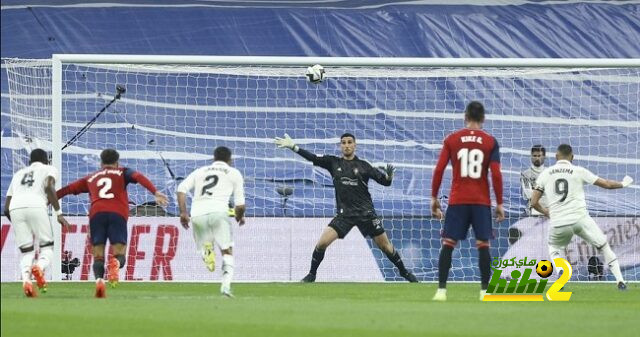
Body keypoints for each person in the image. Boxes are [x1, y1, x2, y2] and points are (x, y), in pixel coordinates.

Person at [275, 132, 418, 283]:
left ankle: (404, 272)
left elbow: (385, 182)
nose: (347, 145)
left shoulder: (364, 166)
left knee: (386, 247)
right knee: (322, 243)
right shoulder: (333, 162)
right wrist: (293, 147)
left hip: (366, 214)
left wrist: (389, 177)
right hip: (344, 215)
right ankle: (311, 275)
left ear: (355, 145)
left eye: (350, 142)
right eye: (343, 143)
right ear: (340, 146)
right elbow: (313, 158)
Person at [56, 149, 168, 297]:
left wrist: (47, 199)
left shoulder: (91, 177)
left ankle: (100, 283)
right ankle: (115, 263)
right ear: (117, 163)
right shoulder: (122, 172)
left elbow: (67, 189)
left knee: (98, 255)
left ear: (101, 163)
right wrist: (155, 192)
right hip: (117, 214)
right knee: (119, 253)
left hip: (96, 215)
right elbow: (139, 176)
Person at [531, 144, 632, 290]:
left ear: (556, 157)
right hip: (580, 219)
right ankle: (620, 281)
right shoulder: (579, 171)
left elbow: (533, 202)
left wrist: (546, 212)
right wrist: (623, 184)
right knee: (603, 246)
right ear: (572, 157)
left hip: (559, 220)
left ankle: (560, 271)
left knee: (554, 249)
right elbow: (607, 184)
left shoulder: (545, 174)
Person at [431, 101, 505, 301]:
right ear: (483, 119)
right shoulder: (490, 141)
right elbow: (496, 174)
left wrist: (433, 197)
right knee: (483, 244)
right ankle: (484, 291)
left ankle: (441, 291)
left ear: (465, 117)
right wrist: (499, 203)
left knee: (448, 243)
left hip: (458, 200)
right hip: (481, 201)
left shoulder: (452, 139)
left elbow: (439, 169)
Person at [177, 146, 246, 297]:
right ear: (230, 160)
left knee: (205, 238)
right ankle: (225, 286)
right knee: (227, 251)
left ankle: (206, 248)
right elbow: (240, 205)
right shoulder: (234, 173)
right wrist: (239, 216)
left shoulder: (200, 171)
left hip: (197, 214)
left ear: (213, 158)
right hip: (219, 213)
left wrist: (183, 212)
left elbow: (181, 189)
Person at [3, 149, 70, 297]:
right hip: (36, 205)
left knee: (27, 251)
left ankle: (26, 281)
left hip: (15, 208)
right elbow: (48, 186)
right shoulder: (49, 169)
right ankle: (39, 267)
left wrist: (18, 222)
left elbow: (6, 207)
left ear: (30, 161)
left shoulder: (18, 174)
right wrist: (59, 214)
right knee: (47, 247)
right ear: (46, 160)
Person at [521, 145, 548, 215]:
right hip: (533, 211)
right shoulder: (525, 174)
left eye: (539, 156)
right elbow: (529, 195)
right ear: (531, 157)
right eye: (534, 156)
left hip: (550, 211)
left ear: (544, 157)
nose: (537, 158)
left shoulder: (550, 173)